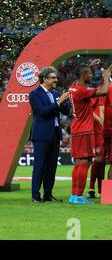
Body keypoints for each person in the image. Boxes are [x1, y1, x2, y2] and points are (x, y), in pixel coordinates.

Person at [68, 63, 110, 204]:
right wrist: (106, 78)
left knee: (78, 163)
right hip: (84, 130)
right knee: (85, 162)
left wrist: (89, 67)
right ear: (83, 75)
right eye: (89, 74)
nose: (92, 76)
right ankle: (79, 195)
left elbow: (81, 75)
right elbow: (104, 91)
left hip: (76, 128)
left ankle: (74, 195)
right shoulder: (82, 91)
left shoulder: (73, 86)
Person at [29, 67, 71, 203]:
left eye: (56, 78)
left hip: (54, 134)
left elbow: (65, 112)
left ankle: (48, 194)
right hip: (41, 135)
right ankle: (36, 195)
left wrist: (66, 101)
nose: (56, 80)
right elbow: (42, 112)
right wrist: (58, 102)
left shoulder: (55, 93)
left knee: (52, 167)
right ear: (45, 79)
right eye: (53, 78)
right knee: (39, 166)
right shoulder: (34, 94)